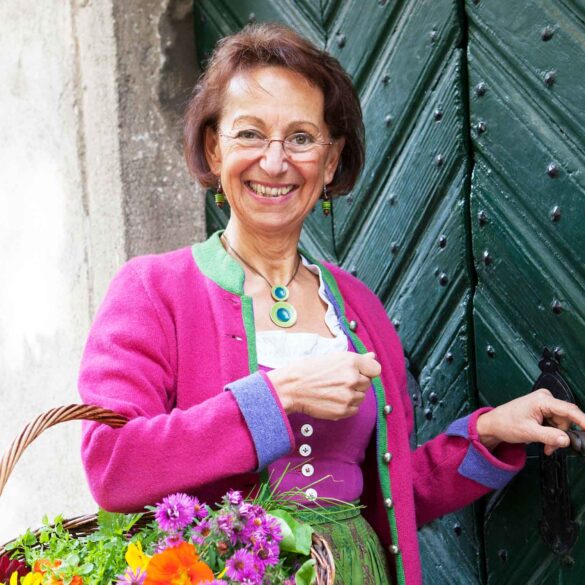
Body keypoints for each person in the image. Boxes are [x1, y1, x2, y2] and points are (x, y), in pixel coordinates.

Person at [78, 23, 585, 585]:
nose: (275, 162)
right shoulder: (153, 290)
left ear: (330, 159)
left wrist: (488, 436)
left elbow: (391, 497)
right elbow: (112, 466)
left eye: (301, 137)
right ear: (214, 148)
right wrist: (280, 396)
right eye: (250, 134)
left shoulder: (358, 307)